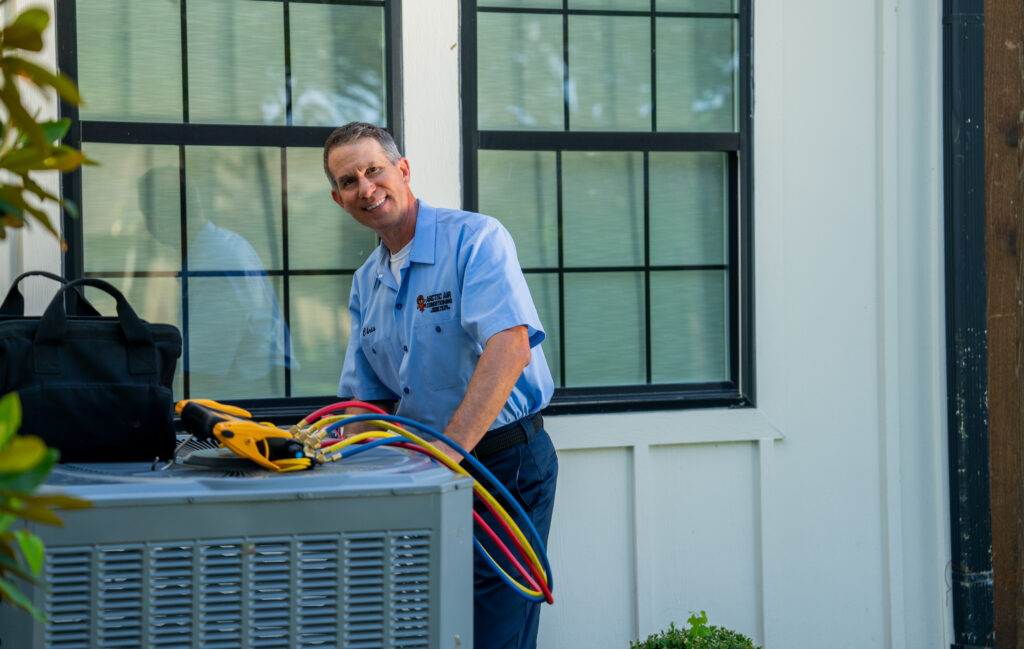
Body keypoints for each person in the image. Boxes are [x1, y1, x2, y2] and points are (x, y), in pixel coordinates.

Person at [324, 122, 557, 649]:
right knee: (436, 626)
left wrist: (443, 456)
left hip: (503, 468)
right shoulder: (367, 282)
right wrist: (314, 450)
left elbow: (510, 348)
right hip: (425, 476)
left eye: (373, 170)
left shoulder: (475, 239)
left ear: (402, 171)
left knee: (493, 634)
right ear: (338, 199)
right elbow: (368, 401)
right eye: (349, 180)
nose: (366, 188)